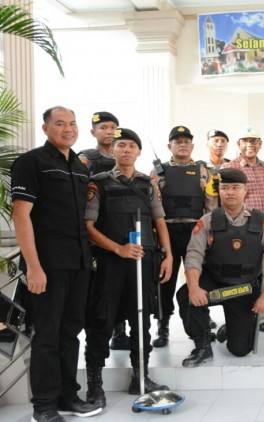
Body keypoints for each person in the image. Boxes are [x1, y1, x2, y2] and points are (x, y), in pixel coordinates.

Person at [12, 106, 102, 422]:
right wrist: (33, 266)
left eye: (72, 123)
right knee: (47, 334)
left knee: (70, 332)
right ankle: (44, 406)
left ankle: (67, 397)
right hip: (47, 264)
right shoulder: (32, 162)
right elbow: (21, 216)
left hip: (78, 262)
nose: (68, 129)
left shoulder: (79, 166)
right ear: (45, 128)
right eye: (60, 123)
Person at [84, 128, 173, 400]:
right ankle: (95, 384)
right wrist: (118, 249)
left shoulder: (148, 184)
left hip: (143, 262)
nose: (126, 150)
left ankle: (140, 376)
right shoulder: (98, 183)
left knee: (141, 319)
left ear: (138, 152)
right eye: (121, 145)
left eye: (131, 146)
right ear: (112, 150)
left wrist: (168, 256)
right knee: (102, 320)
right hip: (110, 263)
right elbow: (88, 227)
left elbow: (159, 222)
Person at [178, 168, 264, 366]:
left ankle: (231, 329)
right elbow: (193, 256)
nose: (230, 192)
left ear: (245, 190)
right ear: (219, 190)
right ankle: (202, 345)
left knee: (240, 350)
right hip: (215, 280)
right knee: (185, 296)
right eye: (225, 188)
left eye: (235, 188)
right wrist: (194, 287)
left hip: (244, 288)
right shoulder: (207, 221)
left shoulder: (261, 221)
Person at [149, 125, 210, 348]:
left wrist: (211, 233)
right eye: (177, 142)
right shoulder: (159, 171)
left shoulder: (203, 170)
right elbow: (153, 203)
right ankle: (162, 326)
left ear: (192, 146)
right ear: (169, 146)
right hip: (168, 232)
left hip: (196, 232)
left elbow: (210, 204)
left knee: (199, 279)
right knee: (165, 281)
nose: (182, 145)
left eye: (186, 141)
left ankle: (203, 324)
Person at [78, 111, 130, 351]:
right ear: (93, 132)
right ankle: (96, 340)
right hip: (94, 233)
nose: (109, 131)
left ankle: (120, 332)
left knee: (122, 286)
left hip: (120, 231)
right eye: (103, 127)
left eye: (113, 127)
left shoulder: (125, 156)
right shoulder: (85, 159)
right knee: (97, 290)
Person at [221, 126, 264, 333]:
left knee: (261, 273)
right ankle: (235, 320)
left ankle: (260, 319)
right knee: (238, 276)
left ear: (260, 144)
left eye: (254, 141)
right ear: (239, 144)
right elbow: (222, 199)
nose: (250, 145)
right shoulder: (230, 168)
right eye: (245, 141)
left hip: (262, 230)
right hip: (239, 231)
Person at [201, 129, 231, 212]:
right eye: (216, 141)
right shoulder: (200, 167)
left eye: (223, 141)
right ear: (207, 144)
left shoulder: (232, 166)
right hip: (207, 216)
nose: (220, 144)